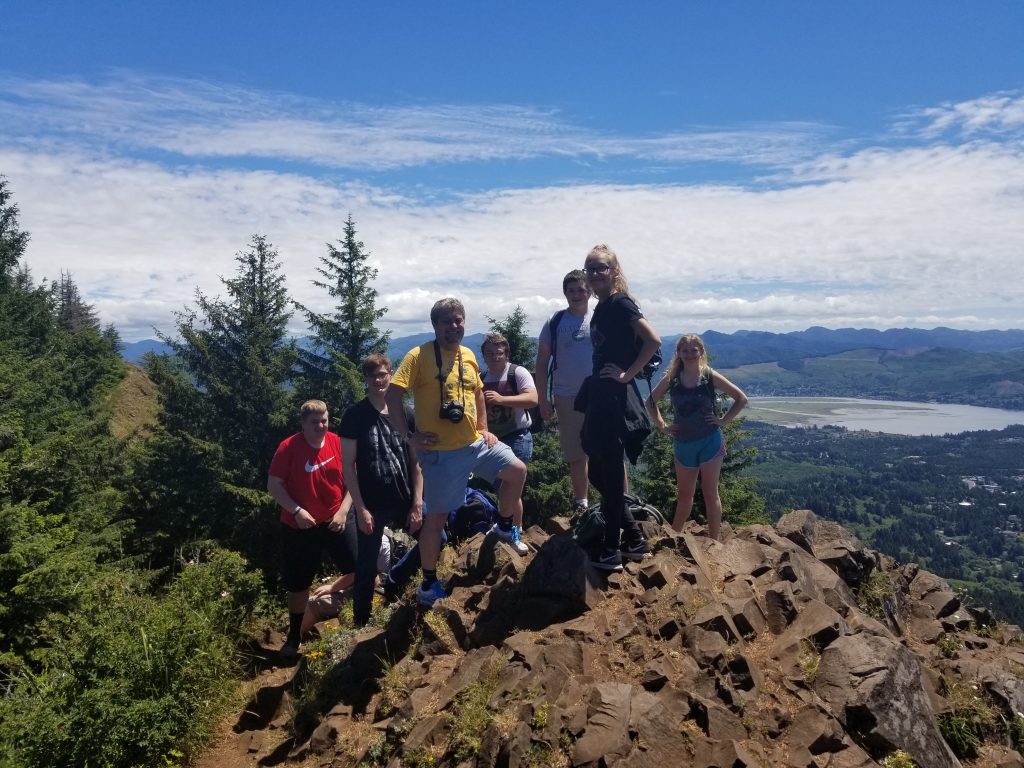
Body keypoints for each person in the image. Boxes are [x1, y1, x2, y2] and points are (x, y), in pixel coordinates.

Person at [386, 297, 529, 607]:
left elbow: (477, 392)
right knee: (436, 520)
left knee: (517, 471)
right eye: (448, 321)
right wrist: (407, 435)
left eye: (459, 320)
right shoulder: (418, 356)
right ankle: (428, 583)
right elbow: (393, 393)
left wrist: (483, 426)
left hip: (475, 443)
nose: (455, 326)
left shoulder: (467, 355)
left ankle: (505, 527)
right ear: (435, 325)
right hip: (441, 454)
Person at [578, 244, 662, 572]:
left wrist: (627, 373)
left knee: (609, 470)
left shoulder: (620, 303)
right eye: (590, 268)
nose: (595, 273)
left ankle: (612, 549)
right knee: (597, 468)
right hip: (601, 394)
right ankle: (634, 538)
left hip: (615, 398)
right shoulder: (602, 307)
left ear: (614, 271)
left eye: (601, 267)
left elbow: (653, 339)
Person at [339, 354, 424, 626]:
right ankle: (360, 624)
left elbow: (416, 463)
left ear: (391, 375)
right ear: (365, 379)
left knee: (438, 536)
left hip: (404, 497)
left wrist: (417, 503)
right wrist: (361, 508)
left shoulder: (406, 413)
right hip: (371, 503)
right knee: (365, 566)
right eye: (373, 375)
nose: (379, 380)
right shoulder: (354, 416)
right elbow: (348, 467)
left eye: (384, 374)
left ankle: (397, 576)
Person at [267, 399, 352, 659]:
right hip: (299, 526)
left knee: (359, 566)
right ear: (303, 424)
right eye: (314, 422)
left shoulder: (337, 442)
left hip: (335, 520)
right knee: (299, 584)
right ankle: (294, 638)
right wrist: (296, 510)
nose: (320, 425)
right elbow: (274, 485)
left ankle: (360, 616)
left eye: (324, 420)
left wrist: (343, 511)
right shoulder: (289, 447)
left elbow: (352, 480)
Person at [645, 334, 748, 541]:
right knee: (684, 497)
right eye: (685, 350)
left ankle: (713, 542)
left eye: (694, 350)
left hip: (710, 441)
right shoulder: (672, 378)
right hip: (683, 444)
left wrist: (723, 421)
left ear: (701, 352)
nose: (690, 354)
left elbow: (741, 398)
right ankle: (673, 538)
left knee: (711, 494)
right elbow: (650, 402)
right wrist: (663, 426)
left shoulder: (709, 376)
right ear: (679, 353)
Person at [535, 269, 593, 514]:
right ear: (565, 293)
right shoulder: (555, 321)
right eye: (571, 290)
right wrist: (542, 399)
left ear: (589, 291)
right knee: (576, 452)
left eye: (581, 289)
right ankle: (582, 503)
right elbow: (541, 362)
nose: (576, 294)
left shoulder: (600, 316)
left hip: (600, 394)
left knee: (611, 450)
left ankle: (622, 501)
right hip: (566, 395)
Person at [301, 530, 393, 636]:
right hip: (378, 583)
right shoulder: (375, 533)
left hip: (374, 589)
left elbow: (356, 573)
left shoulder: (363, 540)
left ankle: (295, 638)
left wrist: (332, 588)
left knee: (314, 602)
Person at [481, 332, 538, 464]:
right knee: (497, 483)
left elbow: (533, 399)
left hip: (517, 438)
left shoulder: (517, 372)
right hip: (491, 440)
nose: (495, 357)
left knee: (511, 481)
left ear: (506, 355)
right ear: (483, 356)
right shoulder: (481, 378)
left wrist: (501, 399)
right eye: (489, 353)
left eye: (499, 353)